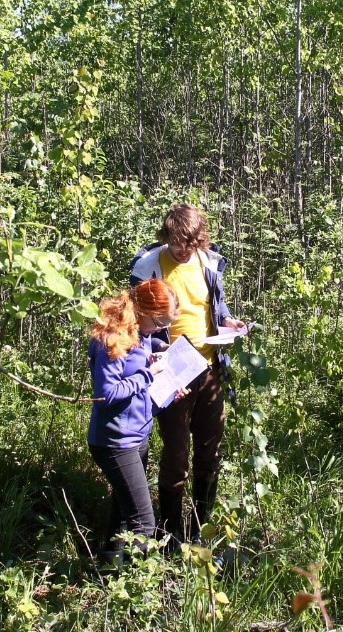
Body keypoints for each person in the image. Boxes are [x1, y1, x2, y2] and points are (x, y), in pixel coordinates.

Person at [130, 204, 246, 546]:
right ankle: (170, 533)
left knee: (210, 450)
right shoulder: (149, 267)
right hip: (172, 373)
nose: (183, 250)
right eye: (177, 243)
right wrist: (154, 352)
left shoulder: (207, 261)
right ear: (166, 237)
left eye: (190, 243)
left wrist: (229, 323)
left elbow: (215, 306)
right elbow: (137, 322)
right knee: (176, 454)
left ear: (200, 240)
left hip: (209, 369)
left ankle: (199, 529)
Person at [87, 278, 184, 570]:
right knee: (144, 522)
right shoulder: (110, 338)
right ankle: (137, 588)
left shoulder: (140, 335)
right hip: (115, 443)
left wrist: (168, 391)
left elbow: (139, 394)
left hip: (136, 436)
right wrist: (149, 374)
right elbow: (107, 394)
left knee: (122, 513)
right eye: (158, 321)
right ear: (142, 308)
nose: (159, 328)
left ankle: (109, 573)